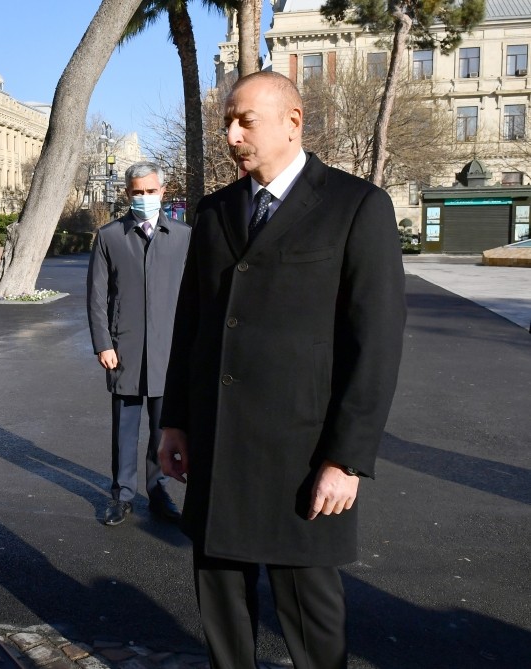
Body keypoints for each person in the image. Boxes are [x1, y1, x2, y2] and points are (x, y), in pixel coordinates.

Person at [158, 71, 406, 668]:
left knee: (310, 616)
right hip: (218, 442)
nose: (231, 133)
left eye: (246, 120)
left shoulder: (356, 206)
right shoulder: (216, 211)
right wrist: (175, 423)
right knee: (221, 605)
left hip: (302, 451)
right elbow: (190, 327)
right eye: (226, 122)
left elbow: (375, 343)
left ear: (293, 121)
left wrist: (346, 459)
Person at [87, 161, 192, 526]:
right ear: (127, 193)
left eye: (151, 191)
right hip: (124, 348)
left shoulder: (183, 237)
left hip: (170, 350)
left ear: (163, 192)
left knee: (163, 429)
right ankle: (122, 495)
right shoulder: (110, 236)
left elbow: (195, 297)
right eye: (137, 192)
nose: (144, 198)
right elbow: (97, 297)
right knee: (124, 429)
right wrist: (103, 343)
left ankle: (158, 492)